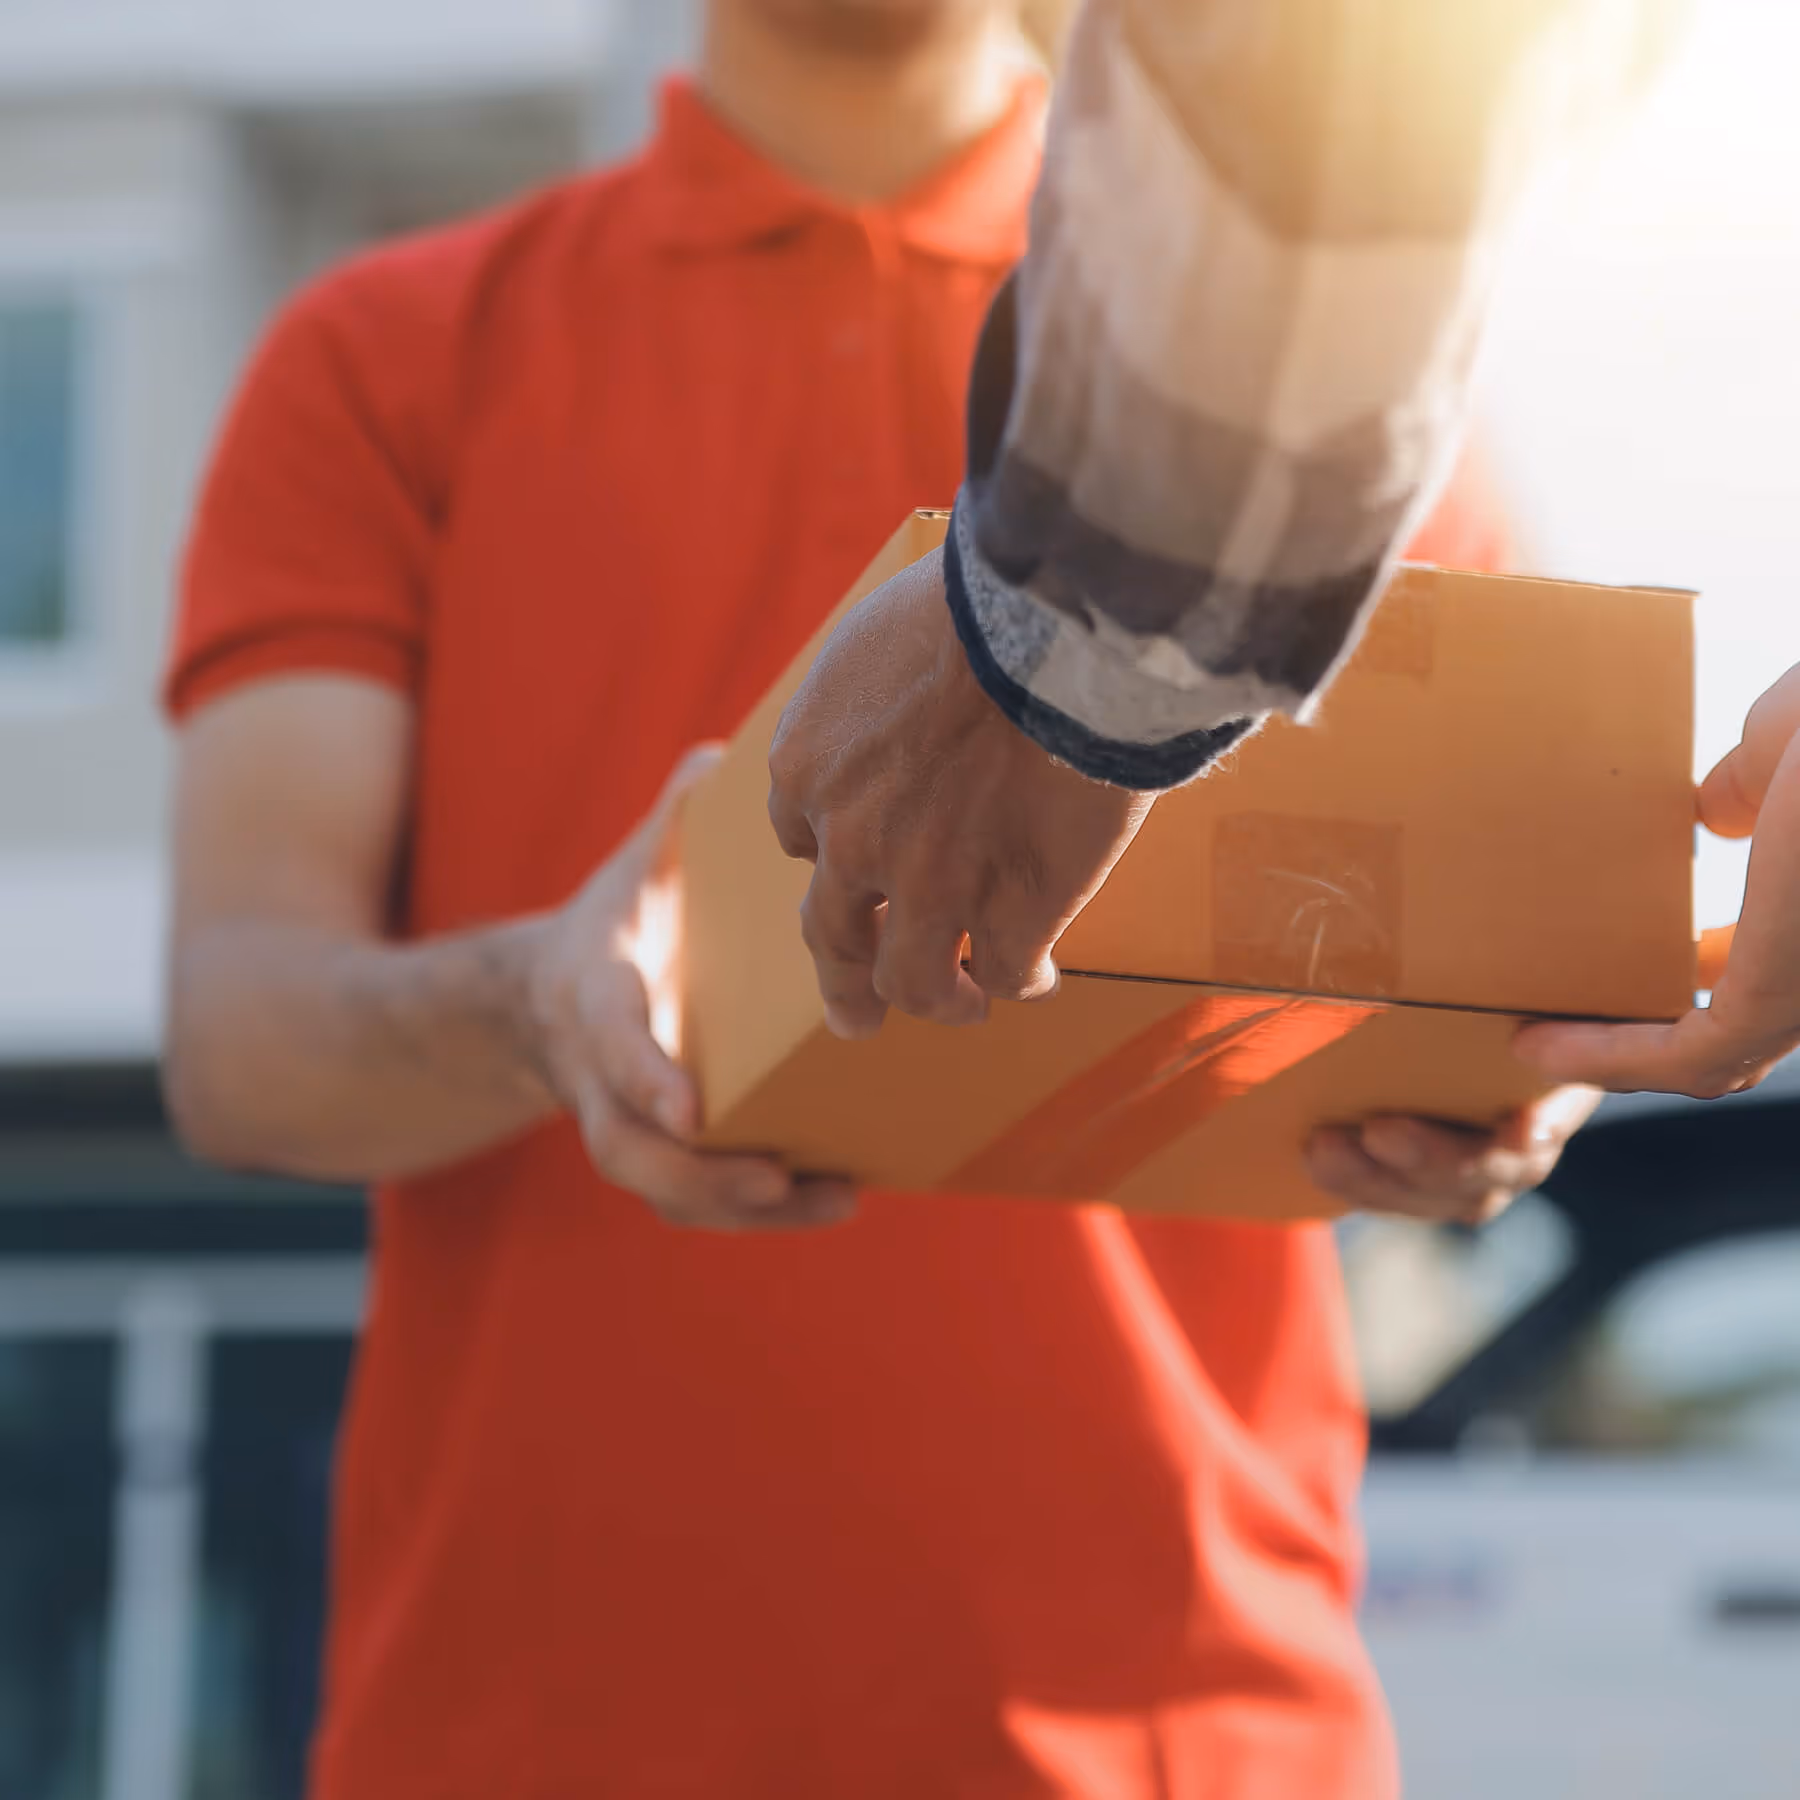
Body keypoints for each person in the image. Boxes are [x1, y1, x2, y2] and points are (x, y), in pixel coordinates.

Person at [164, 3, 1603, 1795]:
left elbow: (1515, 961)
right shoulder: (387, 355)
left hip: (1189, 1739)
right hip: (529, 1742)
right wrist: (534, 997)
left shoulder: (1319, 397)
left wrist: (1512, 1076)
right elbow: (243, 1041)